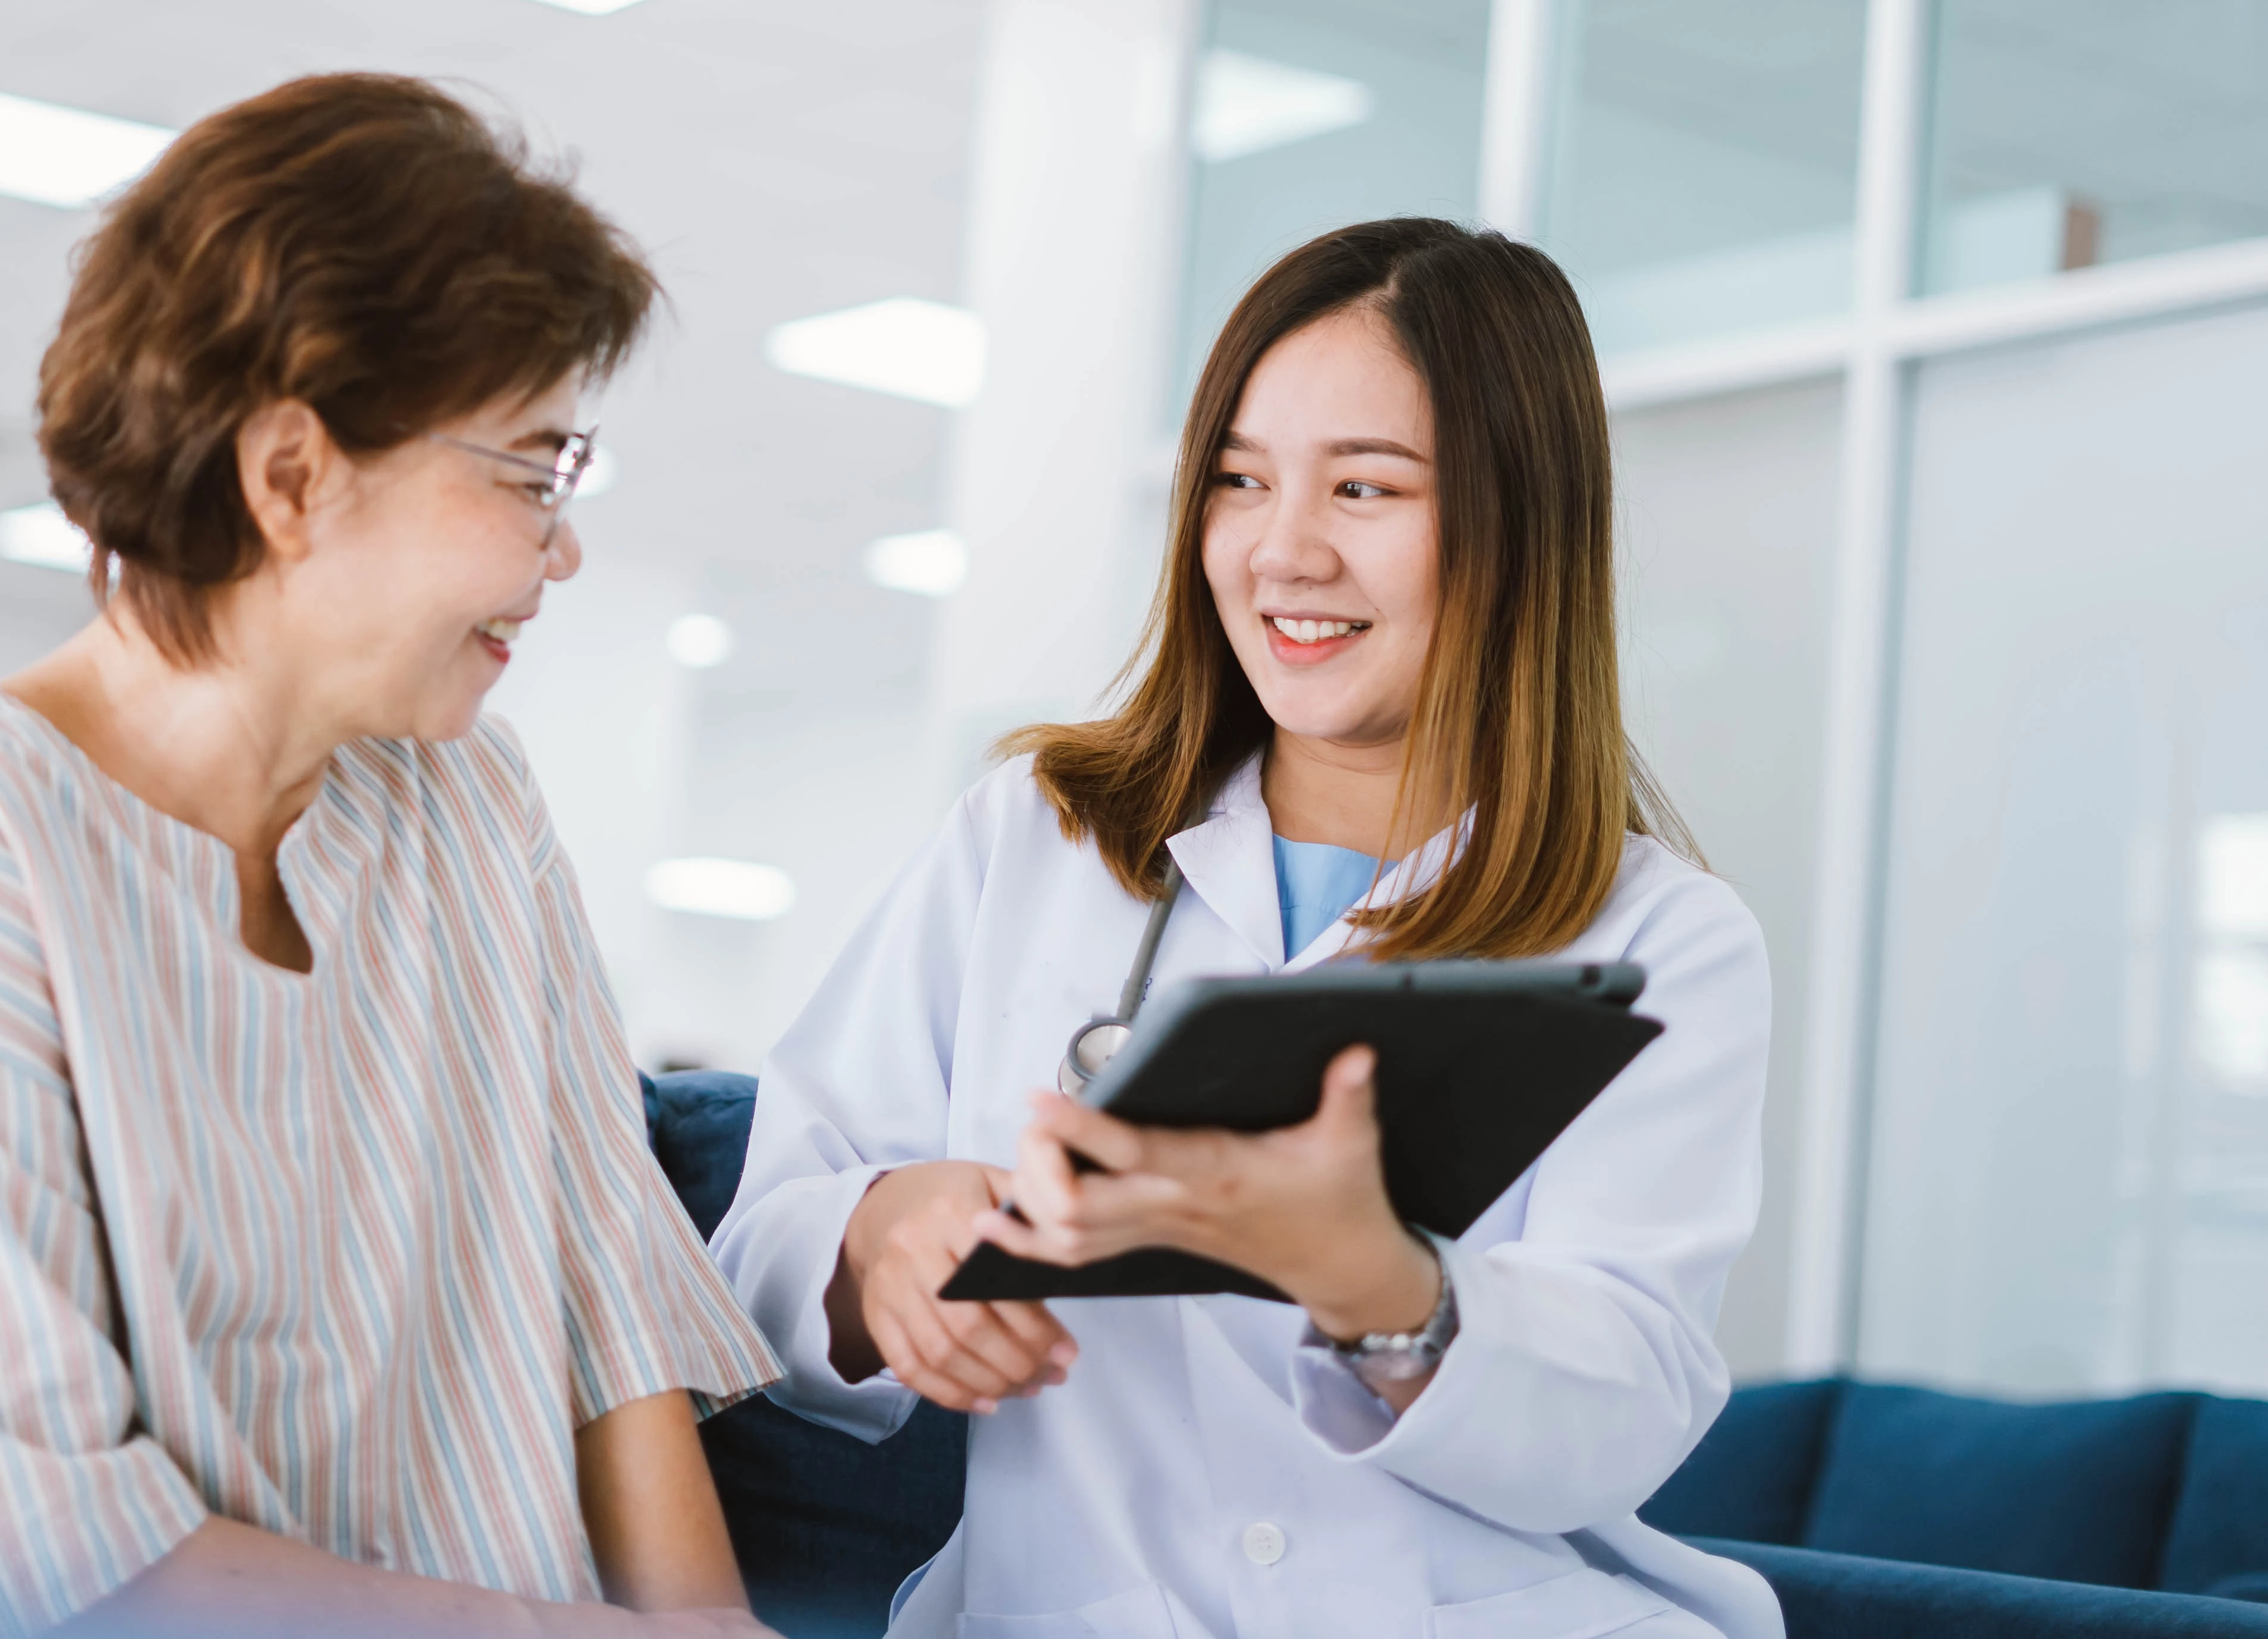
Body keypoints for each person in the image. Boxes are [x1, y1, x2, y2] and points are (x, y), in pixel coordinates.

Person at [0, 75, 783, 1639]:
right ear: (292, 475)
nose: (566, 543)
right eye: (532, 474)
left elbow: (603, 1293)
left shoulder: (467, 800)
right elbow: (6, 1573)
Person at [708, 217, 1777, 1639]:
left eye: (1365, 486)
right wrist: (881, 1238)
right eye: (1240, 479)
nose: (1283, 550)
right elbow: (752, 1255)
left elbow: (1622, 1412)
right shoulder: (1033, 837)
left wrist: (1377, 1280)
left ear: (1522, 523)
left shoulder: (1663, 938)